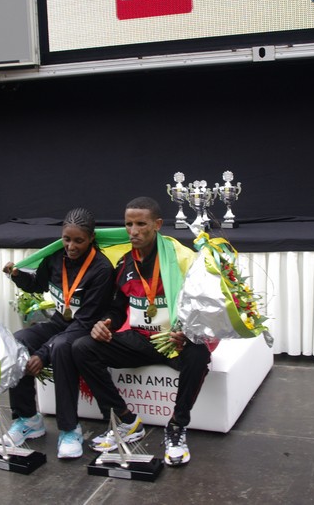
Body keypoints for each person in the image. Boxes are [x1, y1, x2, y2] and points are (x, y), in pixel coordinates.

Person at [72, 196, 208, 467]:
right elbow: (117, 308)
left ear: (157, 224)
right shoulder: (124, 263)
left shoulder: (180, 258)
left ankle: (177, 426)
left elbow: (201, 306)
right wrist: (106, 323)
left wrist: (186, 332)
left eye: (141, 224)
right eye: (128, 224)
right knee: (82, 347)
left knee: (199, 354)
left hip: (174, 341)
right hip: (140, 340)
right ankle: (125, 421)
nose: (133, 231)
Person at [0, 207, 114, 459]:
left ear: (91, 238)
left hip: (86, 328)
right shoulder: (54, 258)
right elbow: (38, 285)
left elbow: (85, 320)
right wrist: (17, 276)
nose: (71, 246)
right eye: (66, 239)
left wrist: (43, 353)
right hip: (60, 323)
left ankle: (69, 428)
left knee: (61, 347)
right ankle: (28, 419)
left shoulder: (101, 269)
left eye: (79, 240)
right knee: (18, 341)